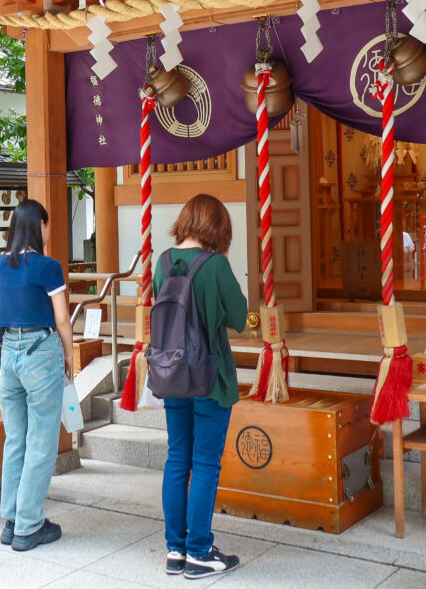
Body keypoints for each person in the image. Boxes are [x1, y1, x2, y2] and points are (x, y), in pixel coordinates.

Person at [156, 194, 247, 580]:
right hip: (209, 377)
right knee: (205, 464)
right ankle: (199, 551)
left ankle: (175, 550)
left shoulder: (162, 262)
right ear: (218, 227)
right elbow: (240, 317)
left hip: (172, 373)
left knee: (178, 457)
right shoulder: (215, 266)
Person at [0, 199, 74, 552]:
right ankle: (29, 526)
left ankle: (11, 521)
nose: (48, 229)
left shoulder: (0, 264)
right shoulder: (48, 267)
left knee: (16, 439)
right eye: (46, 223)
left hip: (8, 354)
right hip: (40, 353)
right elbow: (61, 320)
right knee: (41, 442)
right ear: (37, 225)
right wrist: (70, 354)